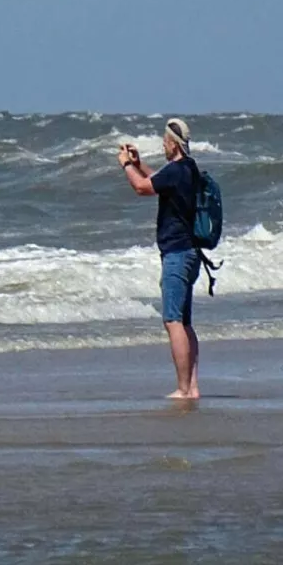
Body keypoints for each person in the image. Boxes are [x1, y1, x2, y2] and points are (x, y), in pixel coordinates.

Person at [119, 118, 202, 399]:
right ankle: (192, 387)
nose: (163, 146)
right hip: (190, 252)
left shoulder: (178, 170)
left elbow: (142, 188)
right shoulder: (188, 169)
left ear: (172, 142)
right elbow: (157, 180)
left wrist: (126, 166)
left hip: (177, 254)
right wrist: (139, 163)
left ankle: (182, 389)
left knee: (172, 320)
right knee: (185, 322)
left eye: (164, 141)